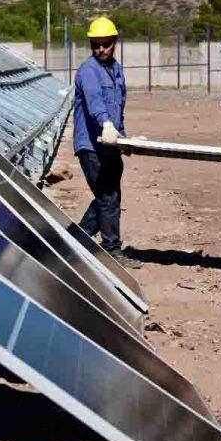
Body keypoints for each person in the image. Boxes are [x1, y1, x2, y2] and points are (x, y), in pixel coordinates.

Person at [73, 16, 140, 269]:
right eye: (96, 44)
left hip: (110, 143)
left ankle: (75, 240)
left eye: (105, 44)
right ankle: (112, 249)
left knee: (109, 196)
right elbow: (95, 103)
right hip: (91, 145)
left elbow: (117, 108)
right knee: (108, 196)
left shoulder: (116, 70)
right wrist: (106, 123)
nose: (100, 49)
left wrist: (122, 136)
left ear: (115, 42)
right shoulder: (87, 71)